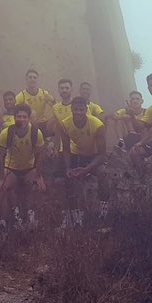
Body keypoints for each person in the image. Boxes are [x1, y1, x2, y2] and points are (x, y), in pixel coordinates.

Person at [0, 103, 46, 227]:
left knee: (35, 187)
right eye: (19, 117)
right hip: (11, 168)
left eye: (24, 117)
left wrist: (39, 176)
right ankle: (4, 220)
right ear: (14, 118)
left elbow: (40, 155)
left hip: (29, 168)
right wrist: (0, 178)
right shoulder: (6, 133)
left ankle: (31, 215)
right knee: (3, 188)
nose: (22, 119)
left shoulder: (36, 133)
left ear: (29, 118)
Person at [59, 97, 107, 227]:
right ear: (71, 109)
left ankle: (103, 210)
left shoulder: (97, 124)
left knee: (103, 173)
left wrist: (87, 169)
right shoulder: (65, 124)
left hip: (94, 156)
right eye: (76, 109)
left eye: (81, 110)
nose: (78, 112)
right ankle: (76, 216)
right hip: (77, 155)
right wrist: (68, 168)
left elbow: (102, 155)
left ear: (86, 110)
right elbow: (66, 149)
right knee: (69, 178)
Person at [15, 69, 55, 134]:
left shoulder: (44, 93)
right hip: (27, 124)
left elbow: (55, 106)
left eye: (34, 77)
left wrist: (53, 101)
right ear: (26, 79)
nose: (32, 79)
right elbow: (15, 111)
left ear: (37, 79)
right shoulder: (21, 96)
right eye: (30, 77)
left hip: (42, 123)